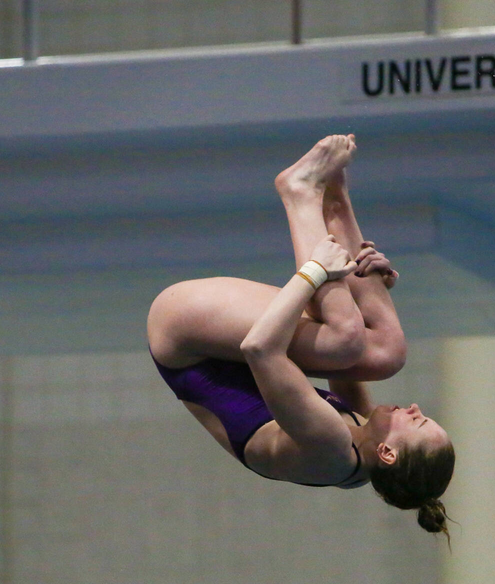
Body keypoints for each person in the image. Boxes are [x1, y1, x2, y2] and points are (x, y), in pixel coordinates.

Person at [147, 135, 455, 536]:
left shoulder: (329, 449)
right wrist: (374, 282)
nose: (414, 407)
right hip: (221, 346)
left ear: (388, 453)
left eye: (418, 421)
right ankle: (334, 197)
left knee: (345, 338)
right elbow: (347, 371)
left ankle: (300, 192)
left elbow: (260, 349)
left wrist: (314, 272)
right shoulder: (362, 450)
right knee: (385, 352)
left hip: (185, 335)